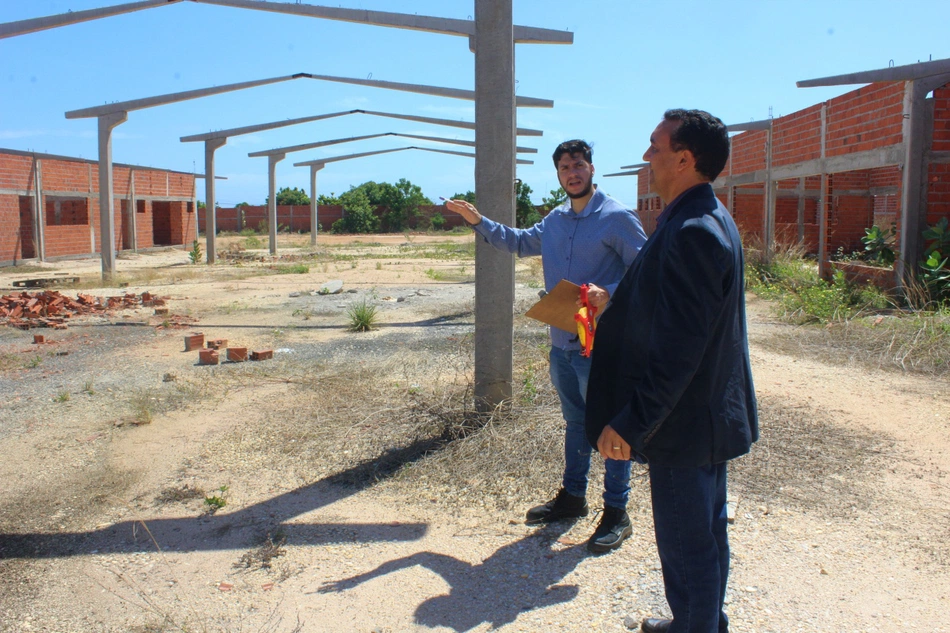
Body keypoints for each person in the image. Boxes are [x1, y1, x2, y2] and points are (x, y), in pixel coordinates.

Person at [584, 110, 758, 632]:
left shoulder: (693, 231)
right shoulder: (701, 219)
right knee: (703, 537)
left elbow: (680, 349)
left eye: (655, 146)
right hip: (700, 420)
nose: (647, 156)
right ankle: (699, 623)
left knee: (689, 548)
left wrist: (632, 423)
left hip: (684, 427)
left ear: (684, 159)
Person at [445, 140, 647, 553]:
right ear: (558, 175)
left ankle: (616, 512)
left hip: (603, 347)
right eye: (564, 168)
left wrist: (606, 292)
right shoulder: (554, 220)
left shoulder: (617, 217)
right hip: (562, 344)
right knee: (576, 422)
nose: (572, 172)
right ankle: (573, 498)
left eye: (578, 165)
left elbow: (645, 270)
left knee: (612, 427)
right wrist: (477, 220)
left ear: (592, 168)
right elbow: (518, 242)